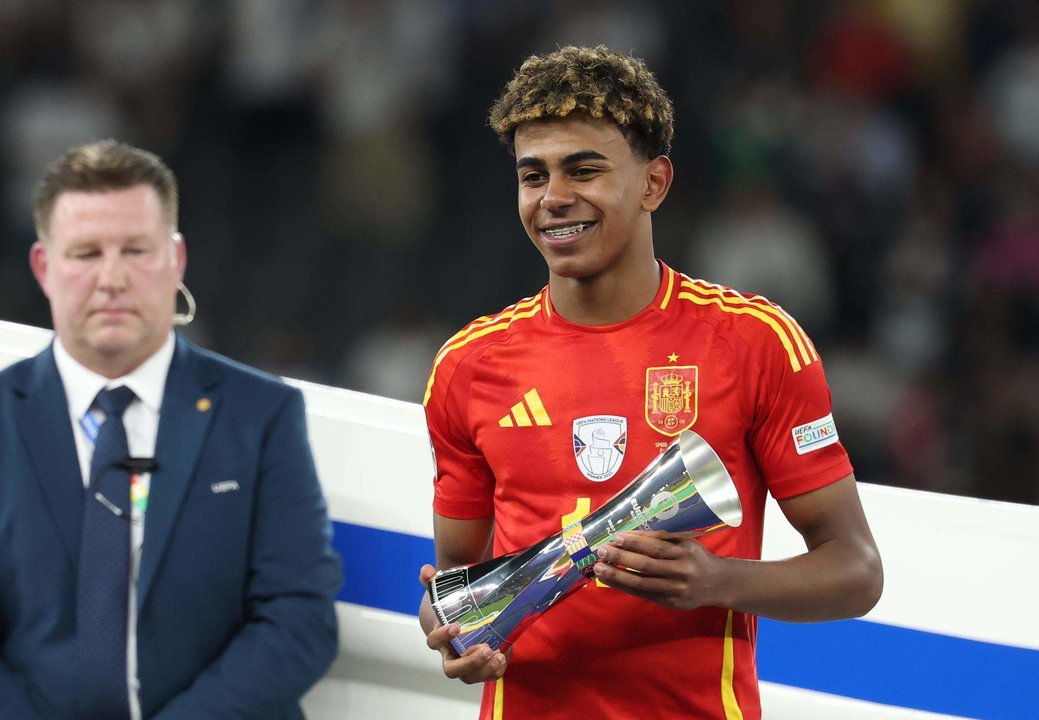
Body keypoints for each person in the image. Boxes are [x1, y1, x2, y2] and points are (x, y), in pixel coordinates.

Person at [418, 46, 883, 720]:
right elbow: (457, 584)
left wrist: (720, 581)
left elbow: (856, 572)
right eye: (532, 175)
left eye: (583, 169)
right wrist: (448, 631)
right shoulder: (468, 365)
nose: (553, 198)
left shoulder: (753, 342)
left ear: (653, 183)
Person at [0, 140, 341, 719]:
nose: (111, 277)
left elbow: (299, 620)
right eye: (85, 253)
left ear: (176, 259)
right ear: (43, 267)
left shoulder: (261, 416)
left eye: (136, 250)